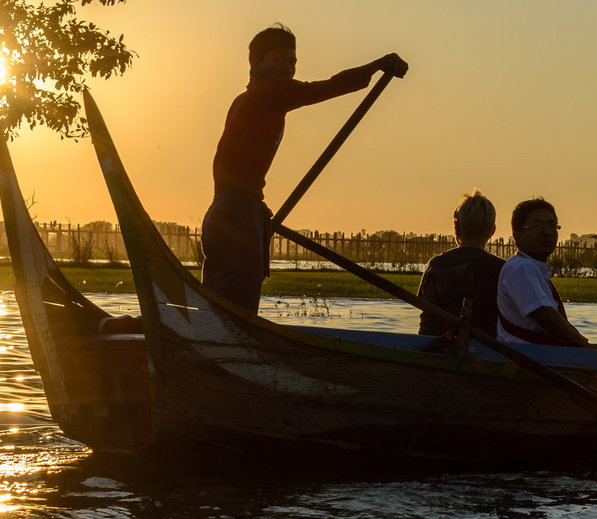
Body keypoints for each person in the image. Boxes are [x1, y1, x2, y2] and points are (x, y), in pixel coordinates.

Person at [202, 25, 408, 311]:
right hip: (237, 217)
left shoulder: (247, 99)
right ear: (255, 63)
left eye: (293, 62)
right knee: (236, 316)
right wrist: (377, 65)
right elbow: (329, 87)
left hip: (225, 216)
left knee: (214, 311)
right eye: (279, 60)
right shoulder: (267, 95)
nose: (288, 68)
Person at [496, 198, 593, 348]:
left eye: (552, 226)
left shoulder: (534, 269)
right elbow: (546, 317)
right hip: (527, 357)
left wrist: (581, 341)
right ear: (517, 235)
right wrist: (587, 348)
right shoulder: (520, 267)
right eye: (537, 226)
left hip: (540, 354)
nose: (547, 232)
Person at [416, 191, 505, 337]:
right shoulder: (501, 269)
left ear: (456, 227)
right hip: (481, 349)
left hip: (429, 344)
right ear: (492, 231)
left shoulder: (436, 264)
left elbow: (421, 305)